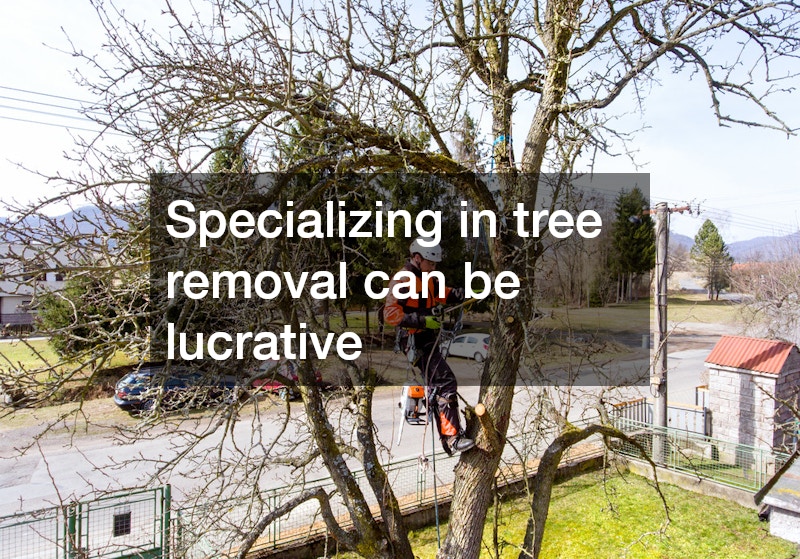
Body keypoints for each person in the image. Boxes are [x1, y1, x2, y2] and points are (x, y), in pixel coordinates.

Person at [383, 237, 475, 455]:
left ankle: (450, 438)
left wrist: (469, 292)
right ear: (417, 258)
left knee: (438, 386)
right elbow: (390, 314)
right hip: (414, 340)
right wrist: (423, 321)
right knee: (445, 381)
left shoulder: (429, 280)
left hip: (428, 340)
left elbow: (446, 293)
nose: (433, 268)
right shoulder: (403, 280)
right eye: (430, 263)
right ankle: (452, 438)